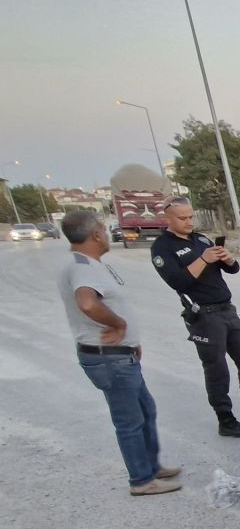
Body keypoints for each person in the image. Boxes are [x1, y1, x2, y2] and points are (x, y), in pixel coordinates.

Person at [59, 210, 181, 495]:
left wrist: (130, 340)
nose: (105, 233)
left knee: (145, 410)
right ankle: (141, 479)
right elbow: (87, 303)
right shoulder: (83, 267)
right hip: (108, 357)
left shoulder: (87, 262)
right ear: (97, 234)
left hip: (118, 354)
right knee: (129, 420)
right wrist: (119, 323)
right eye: (103, 228)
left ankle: (151, 467)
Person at [150, 196, 240, 438]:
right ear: (167, 218)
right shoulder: (162, 247)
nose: (189, 221)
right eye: (182, 218)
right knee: (217, 369)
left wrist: (227, 259)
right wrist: (203, 259)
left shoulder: (200, 239)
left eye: (191, 216)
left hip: (227, 309)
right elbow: (177, 281)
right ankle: (226, 419)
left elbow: (231, 269)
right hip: (204, 316)